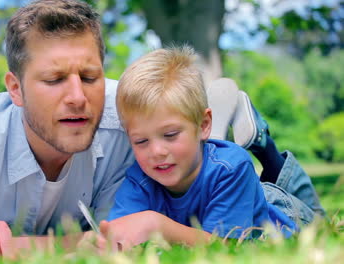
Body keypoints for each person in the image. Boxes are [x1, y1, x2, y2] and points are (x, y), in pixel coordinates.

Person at [0, 0, 322, 261]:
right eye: (53, 81)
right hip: (179, 179)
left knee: (244, 177)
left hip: (214, 166)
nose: (78, 97)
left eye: (89, 77)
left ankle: (243, 131)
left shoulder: (125, 114)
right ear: (15, 88)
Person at [97, 46, 325, 251]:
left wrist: (155, 224)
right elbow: (119, 235)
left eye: (170, 135)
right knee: (209, 161)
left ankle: (265, 145)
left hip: (280, 211)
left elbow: (225, 247)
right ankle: (205, 143)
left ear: (205, 124)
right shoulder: (140, 178)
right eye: (141, 141)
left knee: (319, 223)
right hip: (222, 182)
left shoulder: (232, 168)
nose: (156, 151)